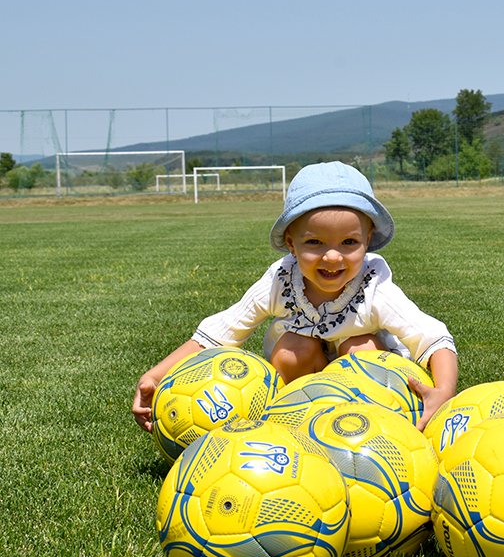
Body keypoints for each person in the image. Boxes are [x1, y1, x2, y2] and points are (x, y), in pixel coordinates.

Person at [131, 161, 457, 433]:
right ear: (291, 243)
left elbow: (433, 339)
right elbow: (219, 333)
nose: (332, 257)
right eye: (315, 243)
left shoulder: (375, 287)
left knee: (362, 347)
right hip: (303, 370)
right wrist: (156, 376)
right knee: (292, 349)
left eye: (349, 243)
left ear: (367, 240)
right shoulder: (281, 280)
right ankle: (290, 426)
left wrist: (442, 391)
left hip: (367, 381)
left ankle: (365, 432)